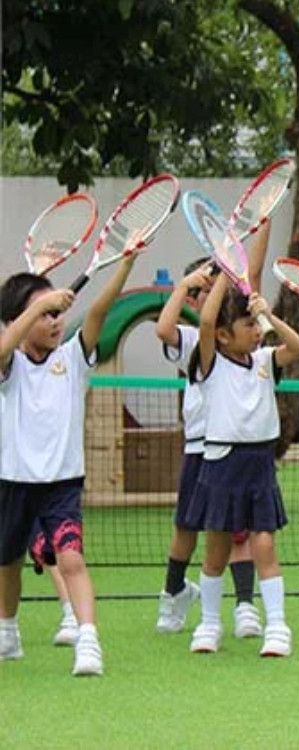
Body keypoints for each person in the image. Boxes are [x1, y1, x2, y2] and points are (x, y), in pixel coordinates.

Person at [0, 251, 141, 675]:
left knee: (72, 559)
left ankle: (88, 641)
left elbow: (98, 311)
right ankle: (7, 631)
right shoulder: (12, 364)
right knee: (7, 563)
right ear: (19, 320)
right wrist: (38, 306)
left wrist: (126, 266)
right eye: (44, 315)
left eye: (57, 312)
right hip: (13, 481)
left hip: (63, 483)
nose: (55, 320)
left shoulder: (73, 357)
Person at [185, 273, 299, 657]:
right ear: (222, 335)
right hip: (222, 463)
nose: (256, 331)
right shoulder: (210, 364)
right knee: (216, 550)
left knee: (264, 545)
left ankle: (278, 627)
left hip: (259, 464)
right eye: (247, 324)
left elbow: (297, 346)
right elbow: (205, 321)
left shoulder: (266, 360)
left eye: (256, 325)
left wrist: (267, 313)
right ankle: (209, 624)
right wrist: (224, 274)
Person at [154, 252, 265, 638]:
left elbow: (256, 267)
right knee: (187, 524)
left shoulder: (244, 336)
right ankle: (173, 593)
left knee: (238, 530)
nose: (207, 296)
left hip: (232, 448)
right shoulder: (193, 339)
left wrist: (261, 222)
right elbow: (163, 329)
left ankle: (246, 605)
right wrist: (187, 284)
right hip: (199, 447)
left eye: (215, 286)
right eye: (199, 291)